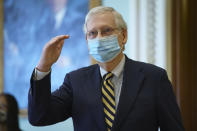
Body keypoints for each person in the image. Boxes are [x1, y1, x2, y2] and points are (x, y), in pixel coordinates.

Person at [28, 6, 185, 131]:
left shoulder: (154, 78)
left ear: (123, 36)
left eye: (107, 31)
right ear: (87, 40)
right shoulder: (75, 81)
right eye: (92, 33)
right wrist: (44, 66)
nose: (99, 38)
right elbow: (39, 117)